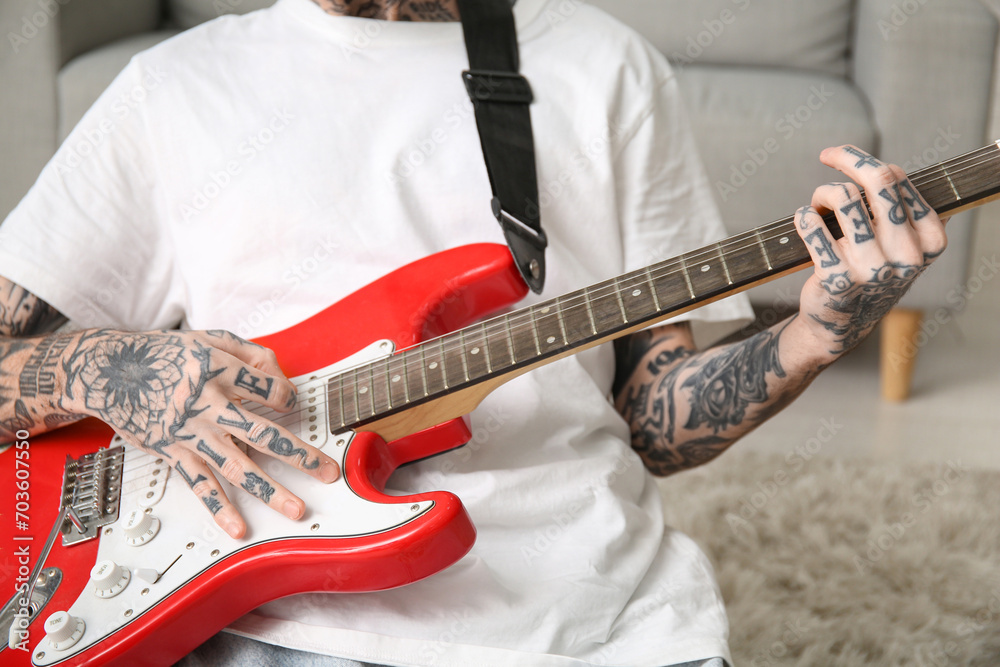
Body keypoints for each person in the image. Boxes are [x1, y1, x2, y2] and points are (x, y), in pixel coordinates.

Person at [0, 0, 946, 665]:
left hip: (597, 619)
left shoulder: (603, 65)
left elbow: (655, 419)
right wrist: (103, 366)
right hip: (266, 613)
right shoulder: (172, 89)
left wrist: (815, 333)